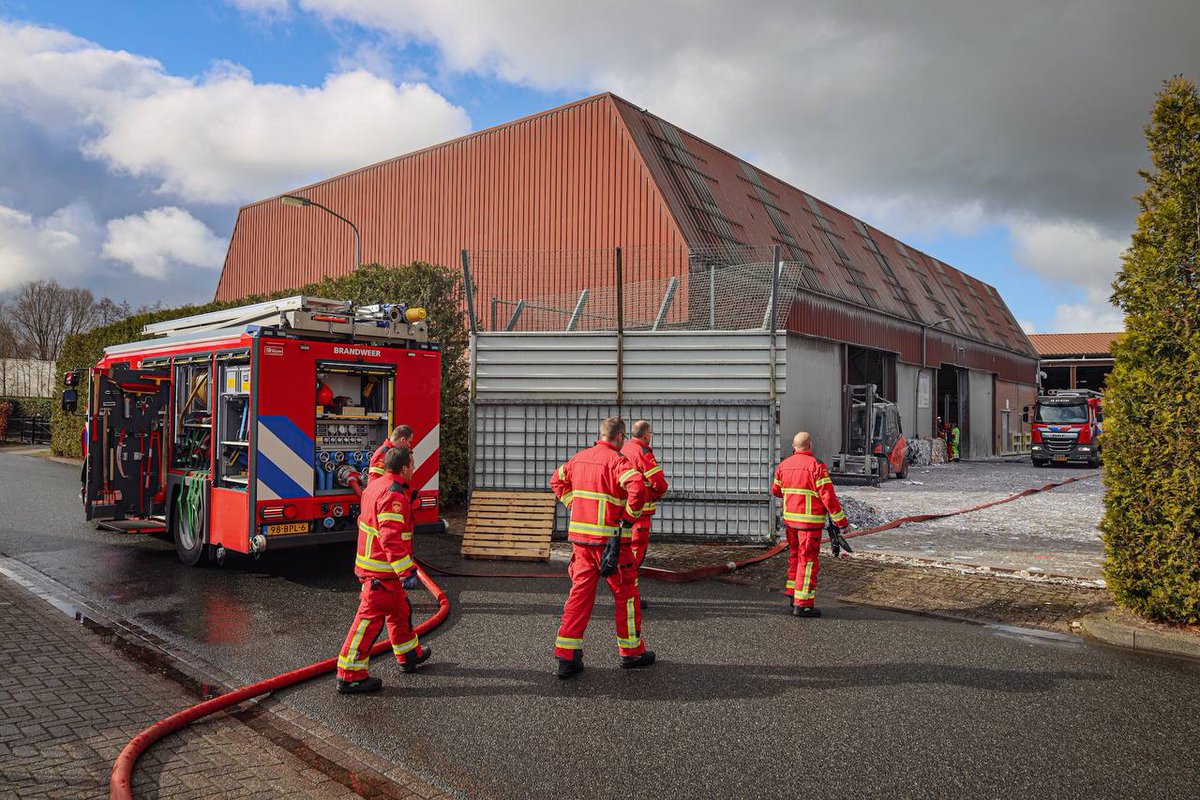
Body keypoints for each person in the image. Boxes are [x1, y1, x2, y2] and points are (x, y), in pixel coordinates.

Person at [549, 416, 652, 679]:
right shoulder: (617, 461)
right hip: (613, 544)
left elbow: (556, 481)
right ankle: (631, 652)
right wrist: (628, 518)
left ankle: (567, 656)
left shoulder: (579, 458)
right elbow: (638, 488)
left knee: (579, 596)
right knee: (626, 595)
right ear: (619, 437)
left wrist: (574, 505)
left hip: (582, 544)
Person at [335, 446, 431, 694]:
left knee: (400, 611)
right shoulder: (393, 495)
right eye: (412, 464)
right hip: (382, 572)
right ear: (404, 468)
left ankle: (409, 655)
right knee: (368, 622)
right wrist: (406, 571)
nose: (415, 468)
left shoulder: (376, 484)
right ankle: (349, 674)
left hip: (380, 569)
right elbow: (391, 538)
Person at [771, 432, 850, 618]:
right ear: (810, 446)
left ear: (793, 446)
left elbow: (776, 491)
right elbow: (829, 498)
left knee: (795, 557)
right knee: (807, 562)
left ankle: (793, 594)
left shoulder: (783, 465)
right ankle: (803, 604)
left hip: (791, 523)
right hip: (809, 525)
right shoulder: (817, 466)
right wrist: (842, 522)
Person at [620, 419, 668, 609]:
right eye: (651, 434)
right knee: (634, 557)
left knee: (624, 554)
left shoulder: (623, 449)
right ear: (646, 435)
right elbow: (659, 482)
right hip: (640, 513)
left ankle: (627, 596)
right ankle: (630, 599)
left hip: (622, 511)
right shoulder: (643, 452)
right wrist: (654, 495)